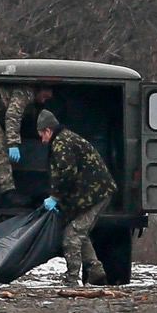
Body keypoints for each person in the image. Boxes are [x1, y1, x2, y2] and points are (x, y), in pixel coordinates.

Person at [37, 110, 114, 286]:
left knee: (71, 236)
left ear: (48, 130)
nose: (42, 140)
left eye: (42, 135)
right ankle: (96, 272)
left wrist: (55, 197)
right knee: (80, 232)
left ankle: (72, 280)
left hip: (95, 195)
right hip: (93, 194)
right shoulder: (65, 139)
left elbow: (67, 174)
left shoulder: (61, 143)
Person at [0, 84, 52, 206]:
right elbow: (13, 116)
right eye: (45, 96)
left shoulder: (33, 104)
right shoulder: (25, 93)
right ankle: (8, 192)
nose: (44, 100)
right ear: (40, 89)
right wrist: (13, 143)